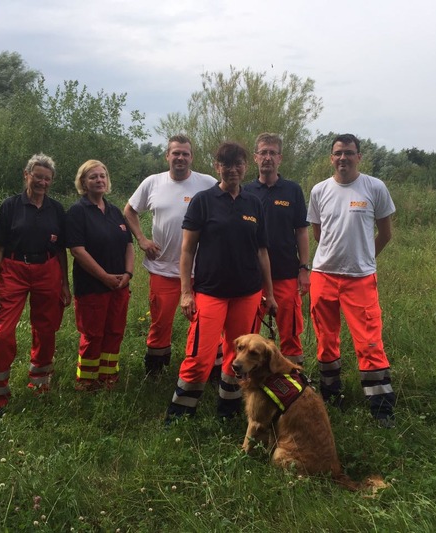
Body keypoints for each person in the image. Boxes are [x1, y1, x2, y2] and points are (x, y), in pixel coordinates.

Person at [166, 141, 278, 422]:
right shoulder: (203, 201)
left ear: (245, 166)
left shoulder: (254, 203)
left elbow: (262, 251)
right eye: (226, 164)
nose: (233, 169)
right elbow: (187, 250)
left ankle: (228, 411)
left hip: (248, 293)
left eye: (238, 163)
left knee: (238, 356)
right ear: (217, 167)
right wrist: (186, 292)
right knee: (200, 356)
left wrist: (270, 293)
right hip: (210, 292)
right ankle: (179, 415)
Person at [307, 133, 397, 428]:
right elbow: (319, 234)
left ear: (359, 156)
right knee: (326, 339)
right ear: (331, 158)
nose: (342, 158)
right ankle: (331, 396)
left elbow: (385, 233)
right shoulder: (319, 190)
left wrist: (366, 257)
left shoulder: (374, 187)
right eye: (337, 153)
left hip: (360, 278)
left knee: (370, 341)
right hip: (323, 275)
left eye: (348, 152)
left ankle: (381, 408)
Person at [123, 135, 219, 377]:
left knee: (202, 323)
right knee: (160, 322)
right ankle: (155, 369)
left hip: (201, 269)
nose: (180, 157)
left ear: (192, 158)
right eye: (175, 153)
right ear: (167, 156)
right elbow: (129, 211)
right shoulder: (152, 183)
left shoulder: (207, 183)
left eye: (185, 153)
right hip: (162, 268)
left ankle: (203, 368)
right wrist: (143, 240)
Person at [0, 153, 71, 416]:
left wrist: (64, 284)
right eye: (37, 176)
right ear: (26, 176)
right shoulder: (10, 206)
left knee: (46, 329)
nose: (42, 182)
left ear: (51, 181)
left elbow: (60, 251)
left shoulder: (56, 209)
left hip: (48, 270)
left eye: (47, 178)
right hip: (13, 270)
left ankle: (40, 384)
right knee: (3, 332)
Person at [66, 160, 134, 392]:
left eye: (102, 176)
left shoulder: (115, 211)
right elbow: (77, 249)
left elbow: (128, 245)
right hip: (92, 286)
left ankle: (108, 378)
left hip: (119, 285)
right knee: (93, 334)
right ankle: (86, 381)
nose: (99, 180)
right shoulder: (78, 212)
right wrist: (104, 276)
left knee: (115, 332)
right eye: (93, 177)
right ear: (83, 182)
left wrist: (128, 273)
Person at [245, 133, 310, 366]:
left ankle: (294, 379)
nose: (268, 158)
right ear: (255, 158)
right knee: (250, 333)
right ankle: (249, 380)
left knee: (290, 332)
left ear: (280, 158)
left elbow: (302, 231)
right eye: (263, 152)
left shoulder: (292, 190)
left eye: (273, 153)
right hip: (252, 276)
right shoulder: (245, 191)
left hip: (286, 273)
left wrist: (304, 268)